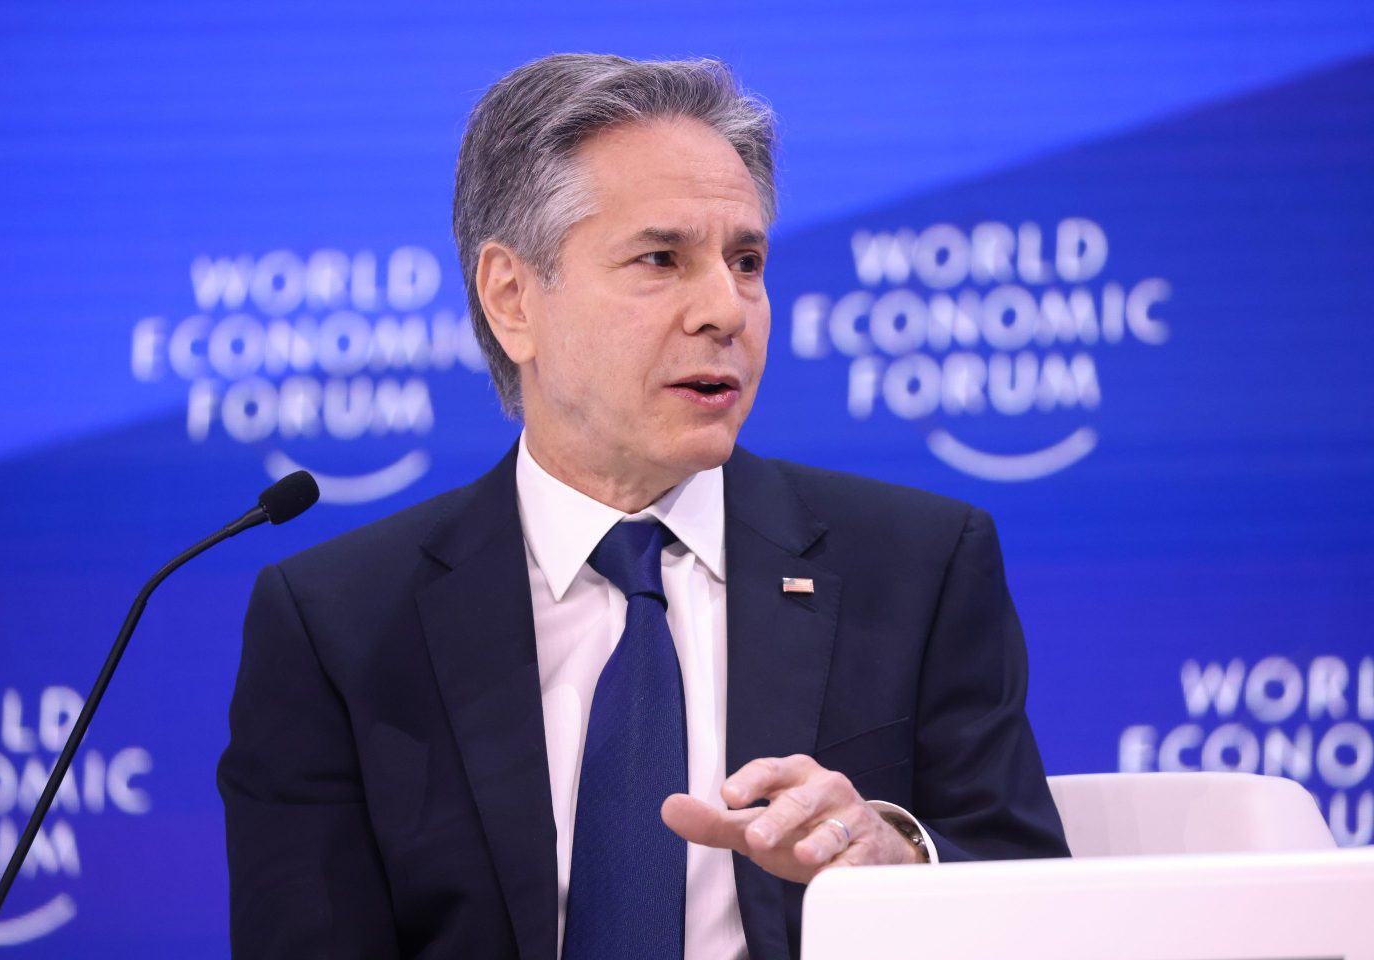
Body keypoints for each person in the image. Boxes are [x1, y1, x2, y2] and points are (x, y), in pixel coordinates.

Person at [218, 54, 1068, 960]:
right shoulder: (341, 624)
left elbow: (1035, 893)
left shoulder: (918, 567)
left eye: (747, 261)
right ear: (513, 300)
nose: (726, 309)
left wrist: (902, 862)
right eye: (662, 259)